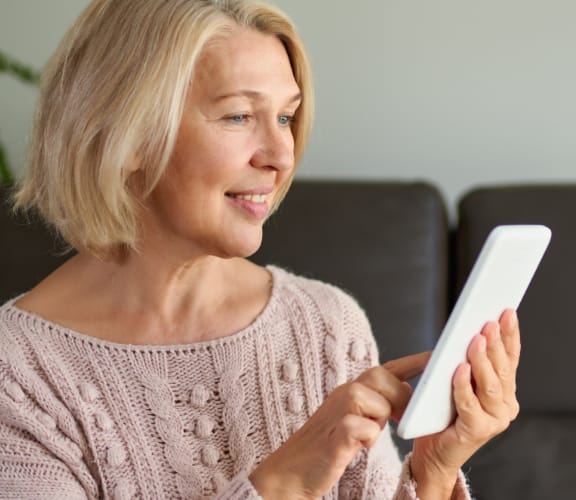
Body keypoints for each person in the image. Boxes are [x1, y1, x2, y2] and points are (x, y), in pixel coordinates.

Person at [0, 0, 521, 498]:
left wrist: (433, 472)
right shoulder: (18, 374)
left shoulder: (323, 325)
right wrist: (280, 484)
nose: (281, 156)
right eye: (238, 116)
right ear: (127, 133)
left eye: (286, 118)